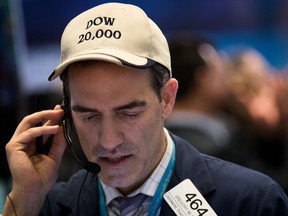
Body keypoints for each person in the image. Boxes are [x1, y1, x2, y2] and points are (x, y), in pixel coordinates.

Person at [2, 3, 288, 216]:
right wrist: (25, 196)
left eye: (129, 113)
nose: (108, 141)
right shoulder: (45, 205)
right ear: (63, 114)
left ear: (166, 99)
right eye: (88, 115)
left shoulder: (251, 202)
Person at [165, 35, 234, 156]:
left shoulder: (159, 135)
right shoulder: (212, 145)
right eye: (220, 76)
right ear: (203, 79)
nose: (227, 82)